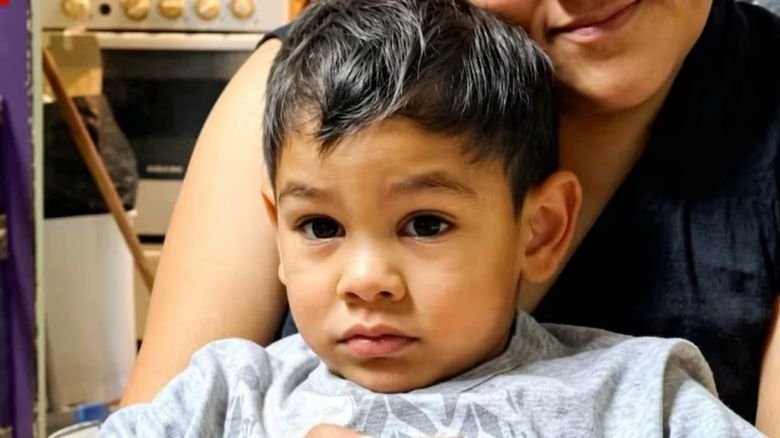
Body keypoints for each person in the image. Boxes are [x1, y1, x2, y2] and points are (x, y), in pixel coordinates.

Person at [104, 1, 761, 436]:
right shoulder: (228, 391)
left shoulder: (639, 397)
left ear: (540, 229)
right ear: (276, 229)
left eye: (425, 224)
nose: (366, 280)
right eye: (321, 227)